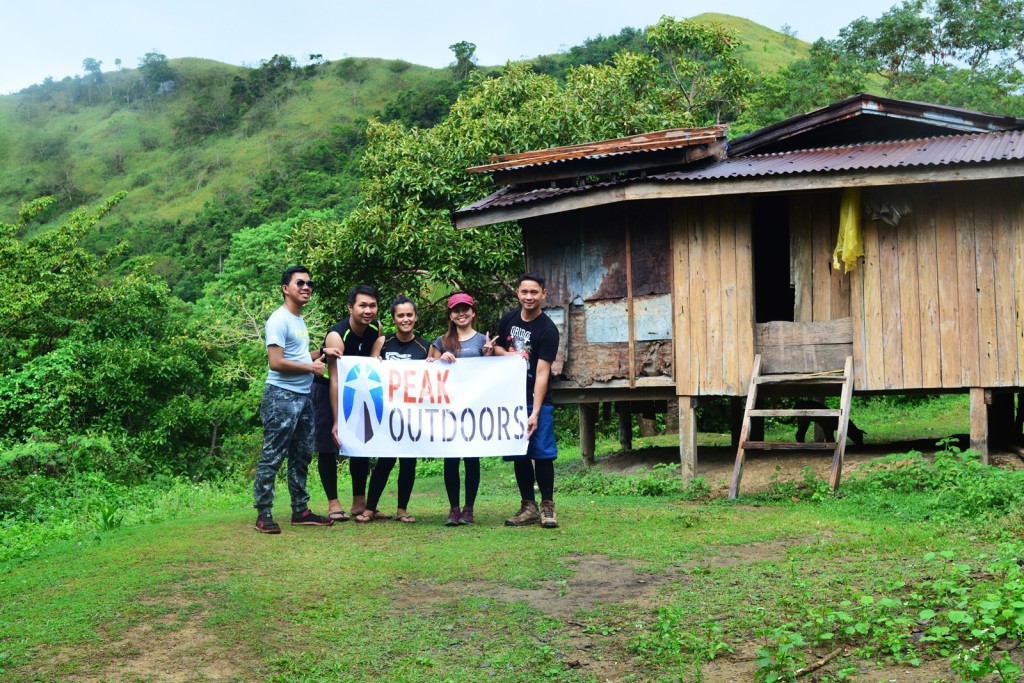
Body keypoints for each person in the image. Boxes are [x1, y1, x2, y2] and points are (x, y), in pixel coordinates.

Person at [253, 266, 336, 534]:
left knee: (301, 456)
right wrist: (311, 369)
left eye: (310, 283)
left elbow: (297, 356)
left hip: (303, 396)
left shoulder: (298, 320)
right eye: (300, 282)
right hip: (281, 397)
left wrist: (321, 352)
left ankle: (300, 510)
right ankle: (264, 514)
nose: (306, 287)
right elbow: (275, 362)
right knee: (273, 455)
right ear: (285, 288)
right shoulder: (279, 319)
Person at [494, 273, 561, 529]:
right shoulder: (509, 319)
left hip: (537, 400)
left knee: (542, 454)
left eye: (534, 292)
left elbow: (543, 373)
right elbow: (499, 349)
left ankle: (547, 506)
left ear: (543, 294)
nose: (529, 297)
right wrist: (505, 353)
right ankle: (528, 506)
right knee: (519, 453)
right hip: (511, 398)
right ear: (517, 293)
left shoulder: (547, 330)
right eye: (524, 292)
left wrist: (535, 412)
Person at [355, 295, 429, 524]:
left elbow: (435, 379)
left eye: (409, 315)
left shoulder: (426, 346)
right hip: (386, 413)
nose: (405, 319)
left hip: (413, 415)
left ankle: (402, 509)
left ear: (415, 317)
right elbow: (370, 371)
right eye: (401, 315)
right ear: (394, 318)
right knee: (384, 460)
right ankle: (369, 508)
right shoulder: (382, 342)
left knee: (409, 461)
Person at [315, 285, 382, 521]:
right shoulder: (337, 335)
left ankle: (359, 501)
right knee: (328, 443)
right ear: (350, 307)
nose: (368, 310)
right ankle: (333, 502)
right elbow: (334, 378)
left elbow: (375, 362)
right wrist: (336, 420)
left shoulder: (376, 328)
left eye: (372, 305)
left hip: (357, 388)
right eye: (362, 305)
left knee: (360, 439)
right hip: (327, 388)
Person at [427, 292, 495, 525]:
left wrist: (488, 356)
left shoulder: (482, 341)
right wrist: (440, 358)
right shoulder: (441, 341)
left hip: (474, 411)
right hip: (448, 410)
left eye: (465, 309)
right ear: (451, 315)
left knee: (471, 459)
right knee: (451, 459)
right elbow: (426, 370)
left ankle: (469, 508)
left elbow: (493, 376)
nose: (461, 313)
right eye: (456, 310)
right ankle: (453, 508)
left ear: (473, 312)